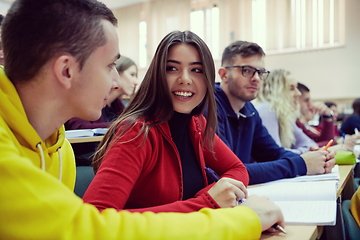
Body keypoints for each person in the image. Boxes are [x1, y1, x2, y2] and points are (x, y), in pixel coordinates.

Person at [0, 0, 284, 239]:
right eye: (111, 65)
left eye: (197, 70)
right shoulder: (136, 131)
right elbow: (90, 228)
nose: (117, 81)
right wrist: (229, 214)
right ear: (66, 71)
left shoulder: (57, 147)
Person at [84, 30, 253, 214]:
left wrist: (207, 197)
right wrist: (206, 203)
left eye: (196, 70)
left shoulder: (196, 123)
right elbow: (95, 217)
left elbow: (237, 169)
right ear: (158, 76)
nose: (185, 79)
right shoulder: (136, 132)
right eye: (172, 68)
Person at [208, 40, 335, 185]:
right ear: (224, 74)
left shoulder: (249, 110)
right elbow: (228, 173)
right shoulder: (209, 107)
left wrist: (313, 157)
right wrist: (301, 164)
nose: (256, 78)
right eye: (247, 70)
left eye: (260, 72)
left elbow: (273, 153)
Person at [65, 56, 138, 166]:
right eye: (132, 75)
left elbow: (128, 123)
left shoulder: (116, 104)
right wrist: (120, 125)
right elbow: (79, 127)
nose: (136, 82)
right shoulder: (87, 99)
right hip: (83, 159)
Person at [297, 82, 359, 150]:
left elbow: (324, 141)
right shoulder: (294, 123)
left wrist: (327, 116)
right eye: (306, 100)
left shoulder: (297, 123)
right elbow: (311, 146)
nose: (311, 105)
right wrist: (337, 142)